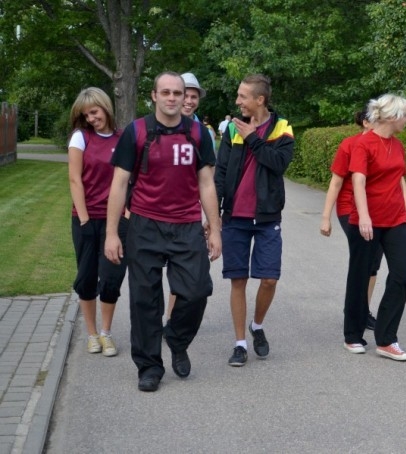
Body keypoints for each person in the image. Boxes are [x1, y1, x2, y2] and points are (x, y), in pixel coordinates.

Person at [104, 71, 222, 392]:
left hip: (186, 225)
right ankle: (149, 367)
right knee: (145, 299)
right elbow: (119, 183)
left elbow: (206, 183)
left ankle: (177, 338)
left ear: (186, 97)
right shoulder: (137, 131)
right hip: (144, 224)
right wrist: (112, 233)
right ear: (154, 96)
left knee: (197, 290)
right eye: (165, 92)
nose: (172, 98)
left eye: (178, 93)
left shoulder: (198, 133)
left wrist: (215, 230)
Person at [214, 74, 294, 367]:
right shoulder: (232, 129)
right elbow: (221, 173)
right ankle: (240, 344)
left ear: (259, 100)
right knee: (238, 280)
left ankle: (257, 326)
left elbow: (278, 164)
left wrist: (252, 138)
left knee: (270, 279)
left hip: (267, 217)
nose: (237, 101)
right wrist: (214, 215)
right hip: (235, 216)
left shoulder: (282, 128)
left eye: (242, 96)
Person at [343, 93, 406, 361]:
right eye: (405, 115)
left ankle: (386, 339)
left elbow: (398, 179)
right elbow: (358, 182)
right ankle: (352, 335)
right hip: (366, 221)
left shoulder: (398, 145)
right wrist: (363, 216)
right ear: (393, 116)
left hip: (394, 219)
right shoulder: (364, 144)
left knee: (400, 275)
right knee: (360, 276)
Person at [67, 87, 128, 357]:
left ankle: (106, 333)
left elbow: (131, 178)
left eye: (94, 112)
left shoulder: (122, 137)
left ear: (105, 107)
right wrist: (83, 219)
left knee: (112, 277)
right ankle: (91, 335)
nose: (91, 118)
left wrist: (127, 212)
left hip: (115, 220)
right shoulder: (81, 138)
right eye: (86, 115)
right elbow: (74, 179)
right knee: (87, 277)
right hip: (86, 219)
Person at [320, 108, 381, 330]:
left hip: (377, 210)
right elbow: (336, 183)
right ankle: (356, 310)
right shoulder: (349, 145)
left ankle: (362, 309)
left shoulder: (385, 143)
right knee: (363, 256)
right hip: (349, 209)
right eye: (377, 118)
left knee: (374, 261)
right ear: (365, 122)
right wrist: (325, 217)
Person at [164, 72, 211, 327]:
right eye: (187, 95)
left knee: (186, 275)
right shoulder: (156, 128)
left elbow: (208, 181)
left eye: (194, 96)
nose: (190, 101)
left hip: (187, 215)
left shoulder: (203, 134)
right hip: (155, 216)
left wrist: (210, 219)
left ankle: (172, 321)